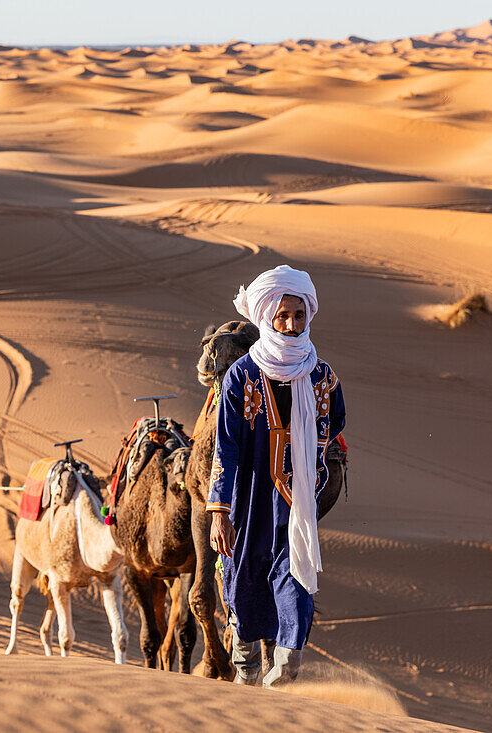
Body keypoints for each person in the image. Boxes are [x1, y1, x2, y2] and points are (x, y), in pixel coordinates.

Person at [206, 264, 345, 687]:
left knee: (296, 579)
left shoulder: (322, 377)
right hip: (248, 500)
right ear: (266, 317)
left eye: (299, 316)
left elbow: (334, 424)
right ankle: (246, 673)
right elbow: (225, 447)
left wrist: (308, 464)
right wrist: (219, 511)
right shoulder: (241, 376)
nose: (291, 325)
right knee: (243, 577)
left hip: (296, 502)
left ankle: (285, 673)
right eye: (282, 316)